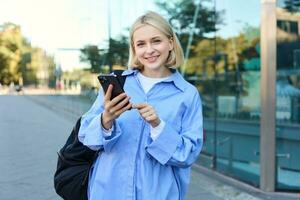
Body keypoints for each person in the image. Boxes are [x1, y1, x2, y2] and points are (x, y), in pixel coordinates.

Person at [78, 11, 203, 200]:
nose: (149, 50)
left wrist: (158, 126)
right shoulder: (117, 84)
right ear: (134, 49)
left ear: (170, 42)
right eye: (141, 44)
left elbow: (188, 155)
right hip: (107, 191)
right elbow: (87, 138)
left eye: (156, 41)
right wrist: (106, 119)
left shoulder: (187, 94)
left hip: (159, 194)